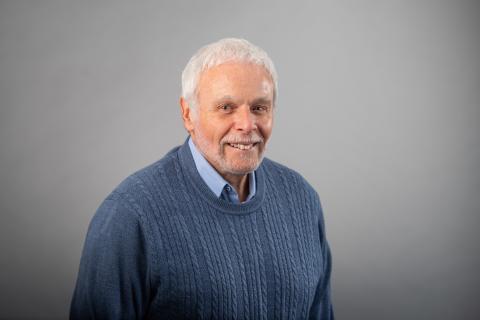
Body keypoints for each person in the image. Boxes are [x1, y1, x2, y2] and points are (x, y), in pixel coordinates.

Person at [70, 38, 334, 319]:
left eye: (259, 108)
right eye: (226, 108)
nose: (246, 124)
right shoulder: (130, 215)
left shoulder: (302, 200)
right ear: (187, 114)